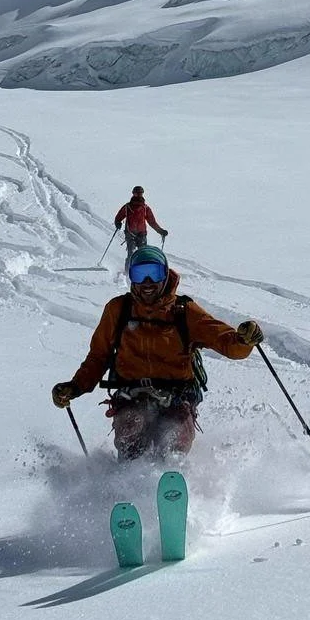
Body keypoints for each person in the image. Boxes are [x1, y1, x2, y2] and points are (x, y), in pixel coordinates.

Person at [51, 246, 264, 461]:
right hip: (132, 395)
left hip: (177, 396)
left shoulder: (183, 311)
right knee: (130, 431)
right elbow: (99, 356)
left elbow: (225, 342)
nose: (147, 282)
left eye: (154, 273)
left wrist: (243, 341)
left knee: (175, 436)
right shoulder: (118, 310)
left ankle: (173, 471)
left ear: (165, 274)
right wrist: (74, 387)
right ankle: (128, 472)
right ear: (131, 277)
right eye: (139, 274)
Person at [114, 185, 167, 259]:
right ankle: (129, 266)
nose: (138, 195)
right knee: (131, 254)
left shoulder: (145, 208)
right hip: (130, 233)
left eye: (140, 193)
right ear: (133, 194)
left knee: (142, 254)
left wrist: (160, 231)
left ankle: (139, 266)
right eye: (137, 193)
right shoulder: (127, 207)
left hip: (142, 234)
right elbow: (119, 217)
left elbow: (152, 222)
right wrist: (117, 222)